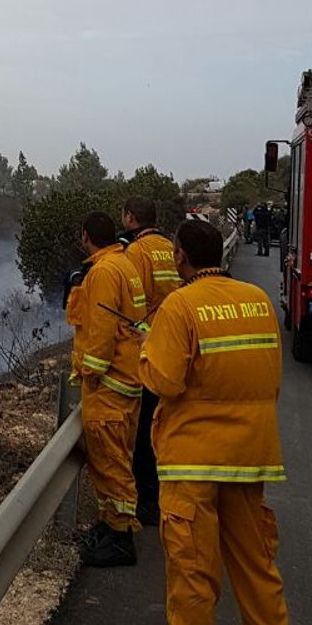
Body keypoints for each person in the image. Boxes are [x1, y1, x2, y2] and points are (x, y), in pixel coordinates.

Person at [140, 218, 300, 625]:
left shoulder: (180, 305)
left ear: (181, 257)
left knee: (192, 569)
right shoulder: (256, 300)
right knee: (257, 568)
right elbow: (268, 375)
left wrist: (147, 348)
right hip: (250, 457)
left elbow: (165, 380)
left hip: (193, 459)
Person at [67, 210, 148, 568]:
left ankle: (119, 538)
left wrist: (90, 374)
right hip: (129, 377)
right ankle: (108, 526)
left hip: (109, 384)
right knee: (114, 457)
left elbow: (100, 329)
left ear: (86, 236)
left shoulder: (102, 272)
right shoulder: (125, 262)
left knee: (110, 460)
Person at [120, 197, 181, 526]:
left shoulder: (136, 252)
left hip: (148, 347)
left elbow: (132, 302)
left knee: (145, 430)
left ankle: (148, 502)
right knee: (167, 424)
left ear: (130, 218)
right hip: (176, 342)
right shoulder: (170, 247)